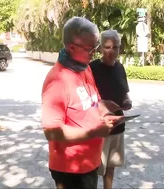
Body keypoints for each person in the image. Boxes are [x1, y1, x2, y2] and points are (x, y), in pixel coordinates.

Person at [41, 17, 123, 189]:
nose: (94, 52)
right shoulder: (57, 80)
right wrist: (93, 132)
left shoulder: (84, 67)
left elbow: (90, 103)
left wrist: (104, 107)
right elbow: (52, 131)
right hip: (70, 168)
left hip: (89, 161)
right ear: (71, 47)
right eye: (90, 49)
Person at [90, 30, 132, 189]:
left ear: (119, 48)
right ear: (100, 48)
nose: (111, 51)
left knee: (111, 166)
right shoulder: (92, 68)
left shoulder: (120, 68)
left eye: (115, 47)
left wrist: (127, 101)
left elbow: (124, 93)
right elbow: (86, 98)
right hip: (100, 126)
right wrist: (102, 105)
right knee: (95, 168)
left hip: (118, 126)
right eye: (107, 47)